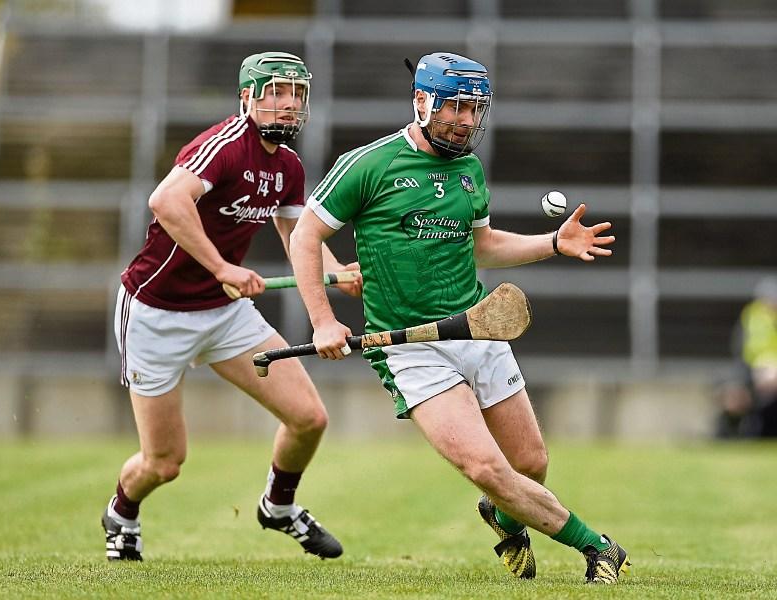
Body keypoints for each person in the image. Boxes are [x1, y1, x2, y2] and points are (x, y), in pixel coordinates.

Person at [289, 52, 629, 584]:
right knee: (485, 467)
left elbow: (483, 245)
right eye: (456, 108)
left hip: (478, 326)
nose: (468, 121)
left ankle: (500, 514)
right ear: (422, 103)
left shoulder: (468, 169)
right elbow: (305, 234)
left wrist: (554, 243)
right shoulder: (368, 165)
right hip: (411, 346)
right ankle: (597, 546)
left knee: (530, 464)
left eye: (475, 109)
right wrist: (322, 319)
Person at [103, 51, 361, 561]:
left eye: (297, 94)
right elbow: (166, 201)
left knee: (308, 418)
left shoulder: (288, 166)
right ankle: (122, 511)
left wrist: (337, 273)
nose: (289, 105)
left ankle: (278, 507)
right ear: (248, 98)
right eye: (277, 93)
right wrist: (223, 269)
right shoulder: (223, 146)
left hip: (223, 315)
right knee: (165, 461)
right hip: (157, 312)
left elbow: (297, 231)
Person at [716, 276, 777, 438]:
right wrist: (757, 371)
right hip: (753, 372)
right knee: (733, 393)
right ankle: (729, 435)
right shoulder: (751, 317)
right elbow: (741, 352)